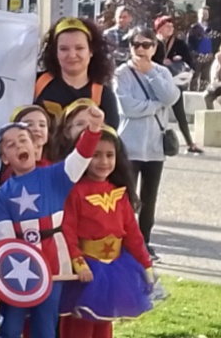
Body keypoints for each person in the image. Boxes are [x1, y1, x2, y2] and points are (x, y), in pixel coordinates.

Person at [0, 104, 104, 338]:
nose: (20, 146)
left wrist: (94, 129)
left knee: (45, 326)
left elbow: (82, 156)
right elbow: (6, 237)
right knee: (9, 327)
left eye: (23, 141)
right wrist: (14, 266)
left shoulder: (55, 176)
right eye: (11, 145)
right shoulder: (3, 194)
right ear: (5, 158)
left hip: (54, 265)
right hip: (19, 269)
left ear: (35, 146)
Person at [60, 127, 153, 338]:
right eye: (95, 154)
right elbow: (68, 231)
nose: (103, 161)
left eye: (110, 155)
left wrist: (145, 263)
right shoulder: (75, 192)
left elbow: (132, 233)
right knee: (82, 326)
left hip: (115, 268)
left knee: (104, 327)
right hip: (88, 269)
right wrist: (77, 262)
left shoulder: (119, 193)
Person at [113, 26, 180, 260]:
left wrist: (150, 72)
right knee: (127, 198)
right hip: (128, 146)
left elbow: (172, 97)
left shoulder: (161, 71)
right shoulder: (121, 73)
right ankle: (125, 241)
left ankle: (145, 241)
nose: (141, 49)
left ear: (154, 47)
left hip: (154, 147)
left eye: (147, 45)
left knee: (149, 198)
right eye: (136, 44)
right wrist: (156, 104)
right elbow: (127, 107)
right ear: (130, 46)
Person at [34, 17, 119, 127]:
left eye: (79, 48)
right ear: (55, 52)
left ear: (91, 51)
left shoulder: (103, 95)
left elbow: (109, 141)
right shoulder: (36, 84)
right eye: (64, 49)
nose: (72, 55)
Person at [154, 16, 202, 154]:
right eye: (168, 26)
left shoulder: (179, 43)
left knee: (180, 113)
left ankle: (190, 143)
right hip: (156, 83)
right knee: (154, 112)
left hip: (174, 82)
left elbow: (190, 61)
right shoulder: (152, 43)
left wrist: (177, 60)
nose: (171, 29)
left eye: (172, 26)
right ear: (160, 28)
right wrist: (162, 62)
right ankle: (153, 142)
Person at [0, 105, 52, 184]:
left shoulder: (54, 165)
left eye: (42, 125)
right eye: (29, 124)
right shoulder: (14, 171)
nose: (37, 129)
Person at [187, 6, 220, 92]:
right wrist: (193, 54)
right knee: (195, 75)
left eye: (206, 14)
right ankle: (192, 92)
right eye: (202, 13)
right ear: (198, 15)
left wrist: (214, 52)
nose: (204, 15)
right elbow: (189, 43)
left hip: (209, 56)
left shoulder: (212, 28)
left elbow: (217, 40)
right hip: (198, 56)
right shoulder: (194, 28)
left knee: (205, 77)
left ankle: (203, 92)